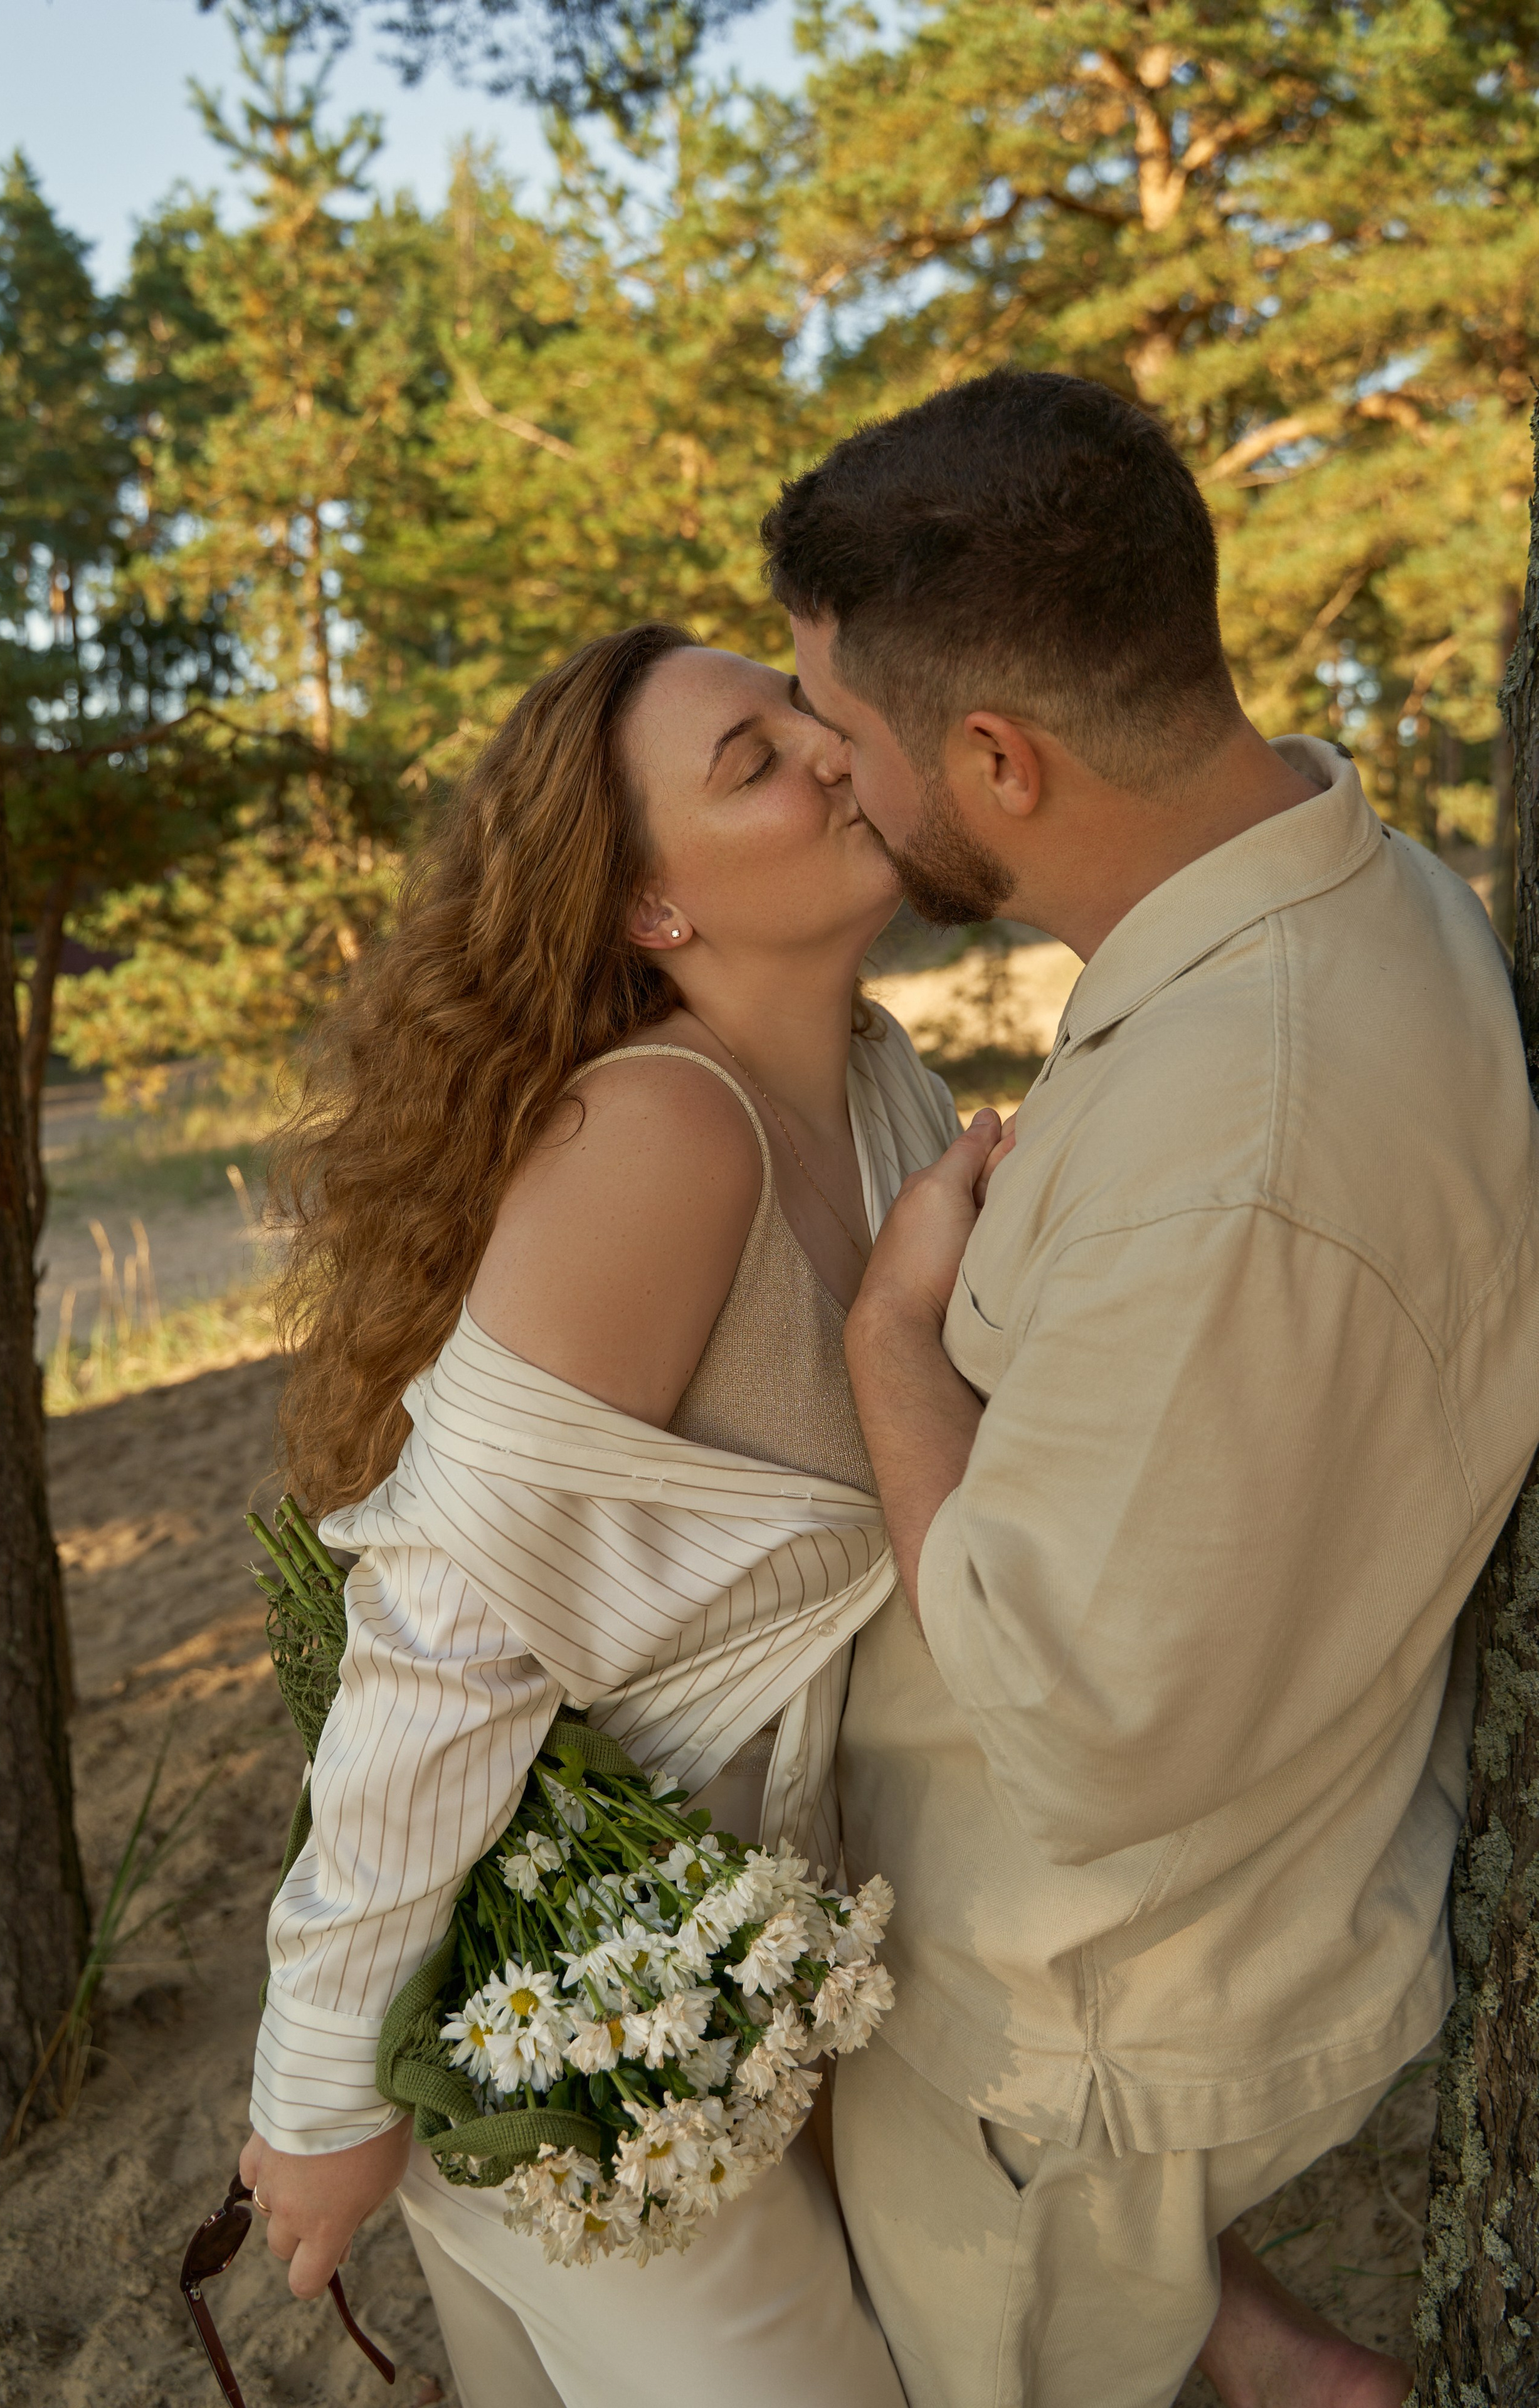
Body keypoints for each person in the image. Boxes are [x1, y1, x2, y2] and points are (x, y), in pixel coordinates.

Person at [762, 367, 1539, 2408]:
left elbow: (1072, 1728)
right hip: (1156, 1947)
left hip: (1074, 2033)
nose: (831, 782)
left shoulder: (1243, 1144)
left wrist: (887, 1344)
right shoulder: (1327, 882)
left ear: (997, 758)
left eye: (843, 737)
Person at [235, 621, 962, 2407]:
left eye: (806, 720)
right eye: (752, 764)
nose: (827, 754)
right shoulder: (662, 1137)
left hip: (755, 1989)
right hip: (578, 2025)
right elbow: (443, 1640)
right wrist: (318, 2092)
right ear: (653, 913)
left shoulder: (882, 1094)